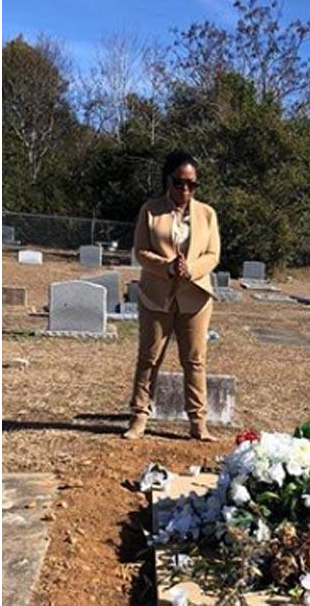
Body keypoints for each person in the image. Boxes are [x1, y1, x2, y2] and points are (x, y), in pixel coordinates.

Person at [122, 150, 221, 442]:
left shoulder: (207, 214)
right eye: (179, 182)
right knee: (149, 358)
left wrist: (190, 269)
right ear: (168, 180)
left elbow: (213, 253)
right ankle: (139, 417)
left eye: (192, 184)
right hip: (157, 294)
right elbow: (140, 251)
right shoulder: (150, 210)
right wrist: (166, 267)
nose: (186, 189)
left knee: (194, 360)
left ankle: (198, 423)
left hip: (195, 296)